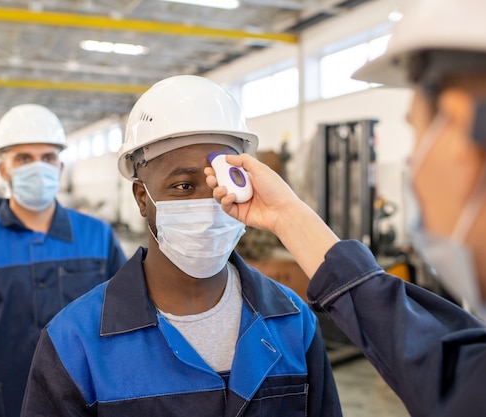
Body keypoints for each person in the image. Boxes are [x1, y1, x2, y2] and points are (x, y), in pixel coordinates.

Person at [206, 1, 486, 416]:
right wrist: (286, 215)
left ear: (462, 140)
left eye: (415, 135)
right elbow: (427, 356)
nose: (412, 166)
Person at [21, 75, 342, 416]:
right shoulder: (76, 342)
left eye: (222, 184)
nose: (212, 204)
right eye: (184, 186)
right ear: (142, 198)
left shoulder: (293, 321)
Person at [0, 104, 127, 417]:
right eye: (23, 158)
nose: (38, 167)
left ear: (59, 167)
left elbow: (127, 329)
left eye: (47, 157)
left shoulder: (98, 237)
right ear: (4, 170)